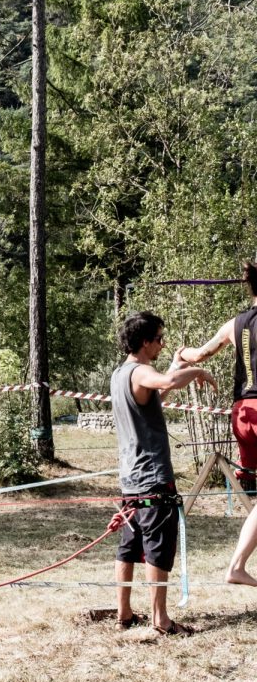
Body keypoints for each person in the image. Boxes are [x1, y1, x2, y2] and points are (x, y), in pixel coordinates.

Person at [111, 311, 216, 636]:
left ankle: (124, 613)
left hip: (130, 478)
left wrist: (177, 365)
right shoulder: (141, 371)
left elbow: (157, 392)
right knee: (158, 546)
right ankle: (161, 619)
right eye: (159, 338)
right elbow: (167, 383)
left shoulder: (121, 374)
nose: (162, 343)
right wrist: (199, 369)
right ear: (145, 341)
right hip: (153, 477)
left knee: (129, 545)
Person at [176, 261, 257, 585]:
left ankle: (238, 566)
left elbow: (198, 355)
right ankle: (236, 567)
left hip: (242, 414)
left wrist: (181, 352)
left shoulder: (234, 325)